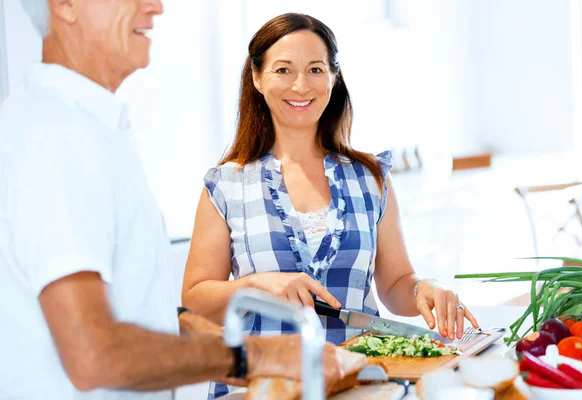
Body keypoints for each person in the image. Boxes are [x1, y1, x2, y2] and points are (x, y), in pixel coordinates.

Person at [0, 2, 345, 399]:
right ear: (65, 4)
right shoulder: (56, 137)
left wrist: (187, 326)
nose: (156, 6)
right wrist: (256, 355)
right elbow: (91, 353)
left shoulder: (82, 129)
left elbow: (121, 309)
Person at [181, 12, 480, 398]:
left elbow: (394, 285)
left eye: (316, 69)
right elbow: (195, 300)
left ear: (333, 78)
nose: (301, 85)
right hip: (262, 388)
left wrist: (425, 289)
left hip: (361, 387)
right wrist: (255, 286)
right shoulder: (226, 185)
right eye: (283, 70)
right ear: (256, 78)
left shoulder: (370, 178)